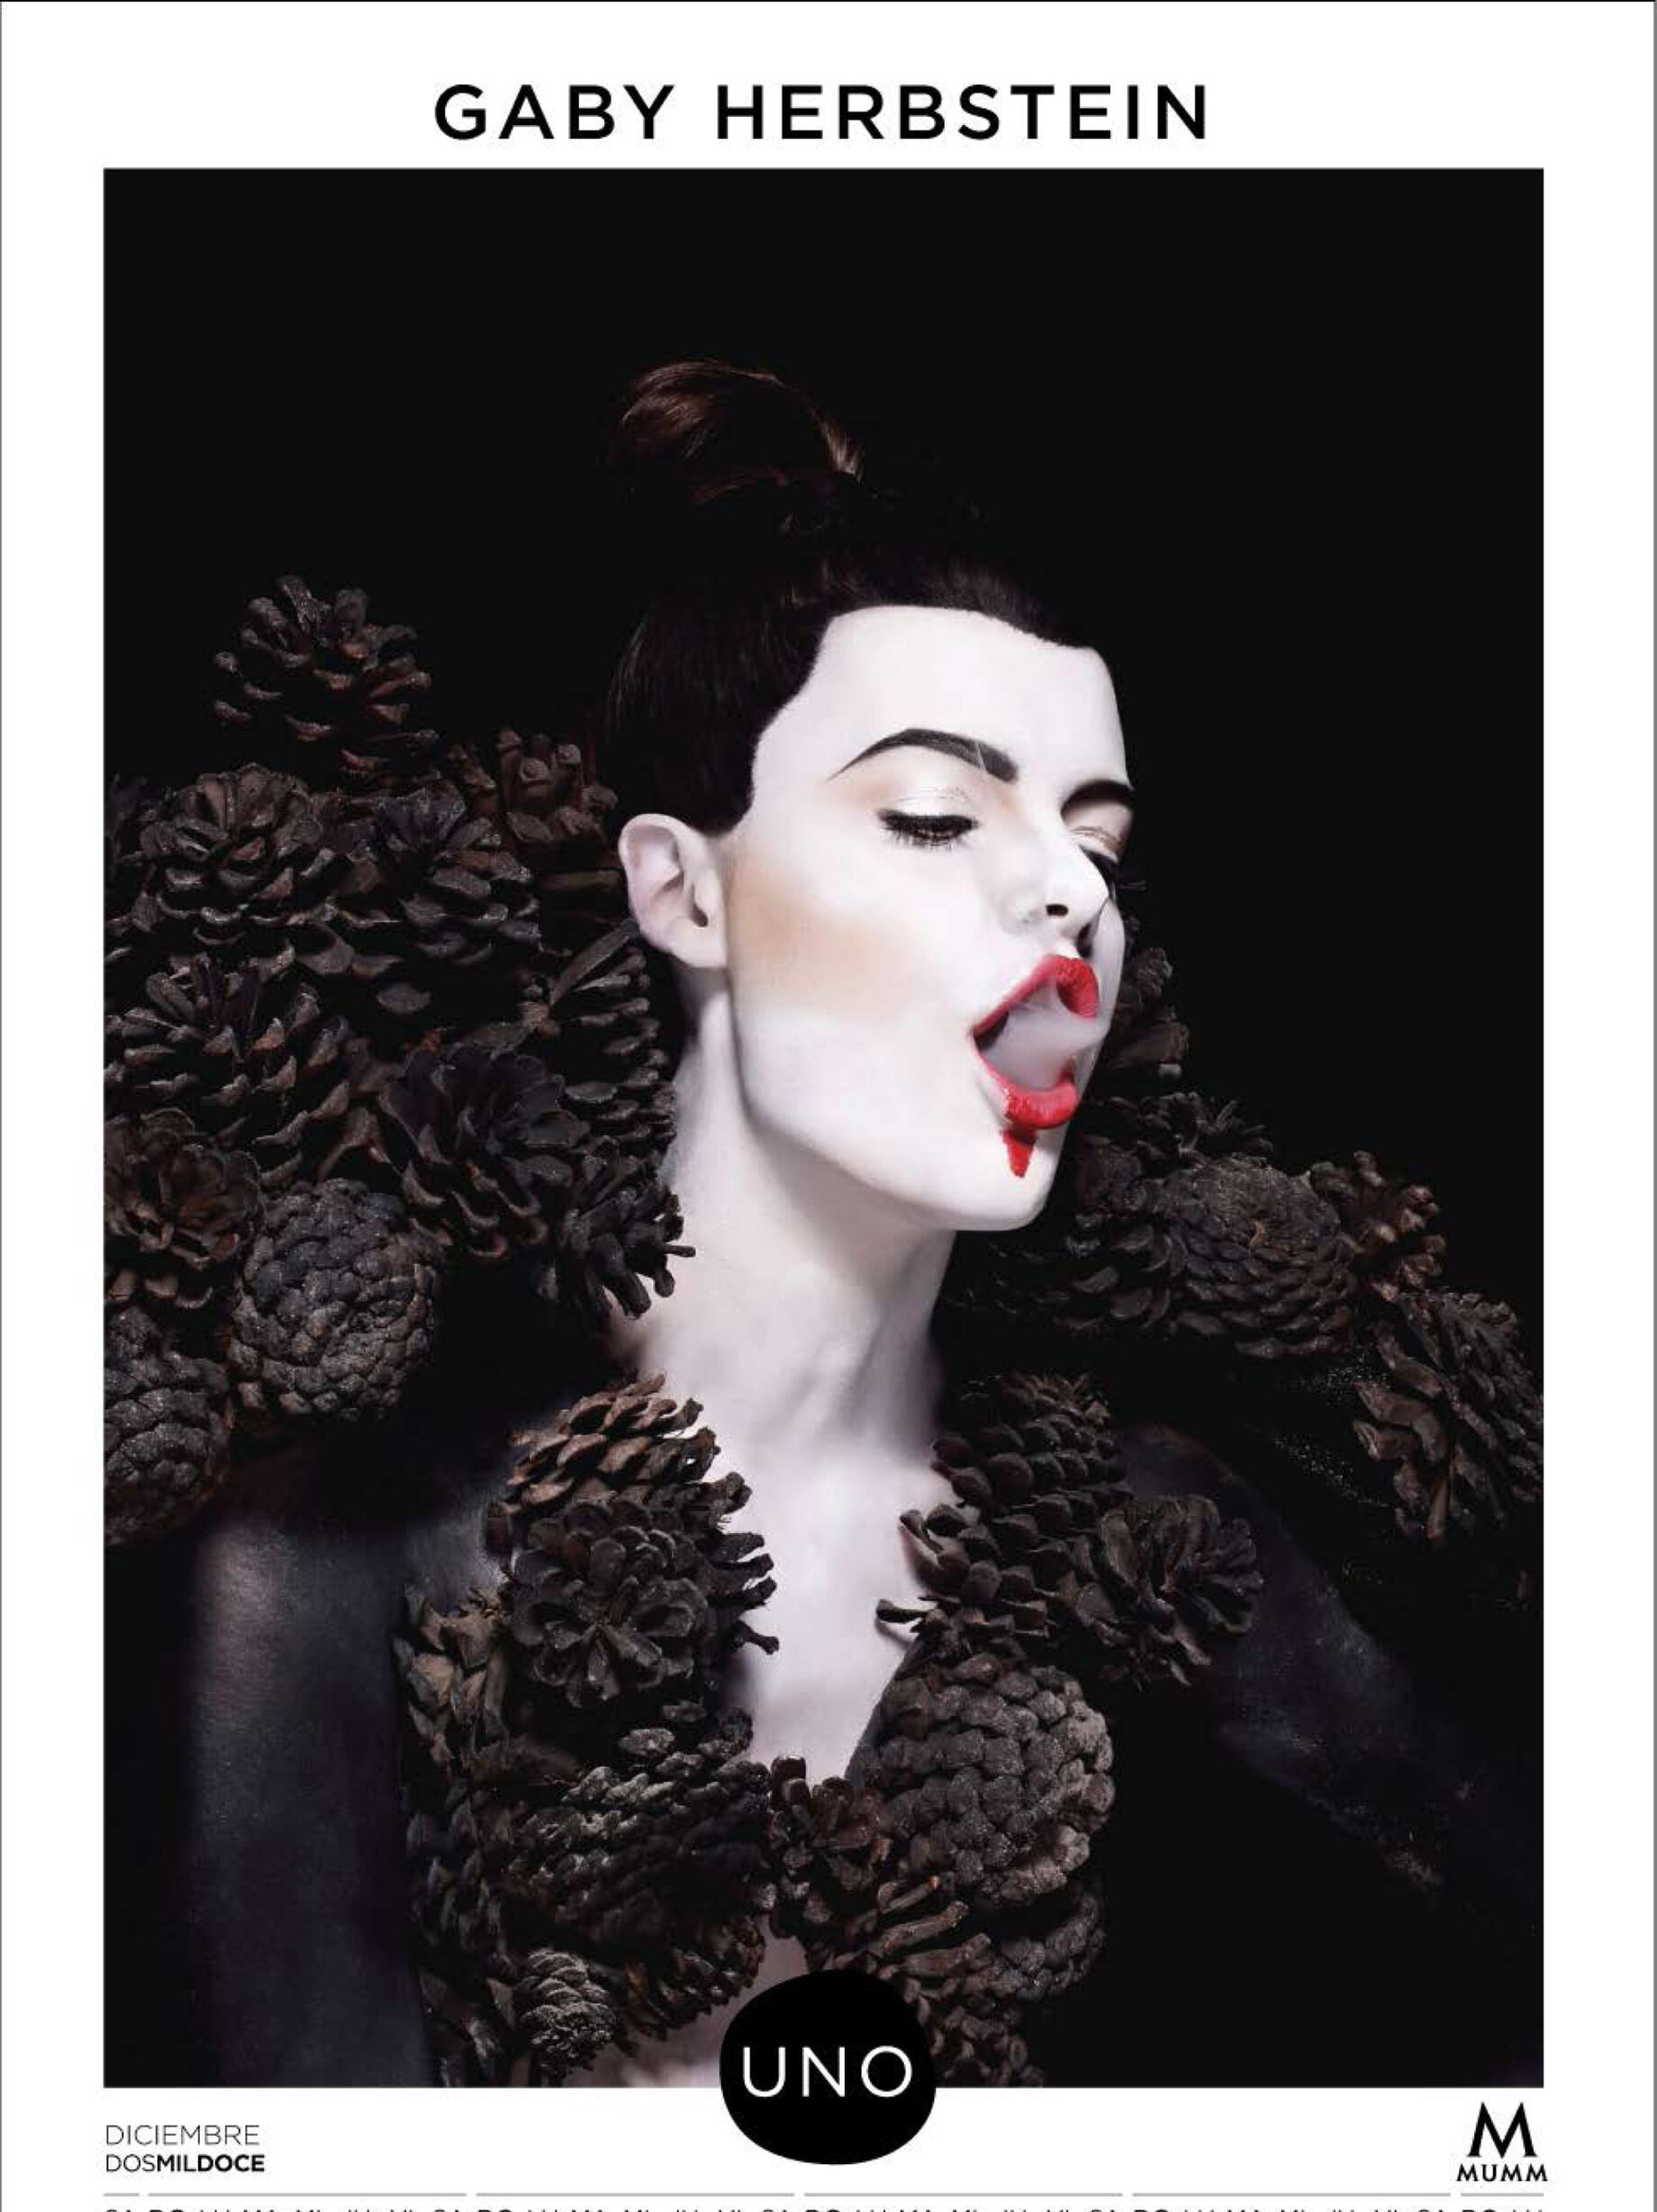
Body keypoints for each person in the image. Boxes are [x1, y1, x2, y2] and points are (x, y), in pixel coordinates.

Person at [104, 360, 1542, 2090]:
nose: (1067, 890)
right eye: (935, 815)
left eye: (1099, 844)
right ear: (682, 891)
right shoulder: (328, 1569)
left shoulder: (1159, 1543)